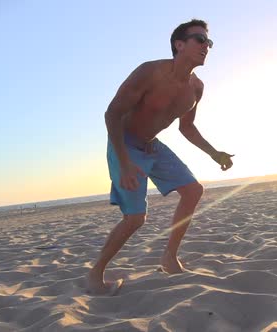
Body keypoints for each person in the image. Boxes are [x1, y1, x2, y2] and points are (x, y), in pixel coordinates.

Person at [86, 19, 234, 295]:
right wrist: (125, 162)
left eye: (209, 42)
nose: (206, 46)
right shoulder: (150, 72)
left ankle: (169, 257)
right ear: (179, 44)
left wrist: (215, 153)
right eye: (200, 40)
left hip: (153, 145)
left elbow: (186, 127)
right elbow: (113, 114)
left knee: (193, 190)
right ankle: (96, 274)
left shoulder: (196, 88)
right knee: (135, 218)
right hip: (125, 144)